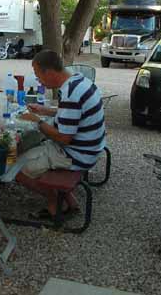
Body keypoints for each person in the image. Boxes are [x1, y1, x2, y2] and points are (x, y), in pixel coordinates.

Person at [17, 50, 105, 220]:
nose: (37, 79)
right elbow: (74, 113)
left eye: (37, 74)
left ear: (49, 72)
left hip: (78, 155)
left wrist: (37, 121)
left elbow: (64, 138)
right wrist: (46, 111)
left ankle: (56, 205)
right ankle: (69, 202)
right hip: (91, 148)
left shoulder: (71, 93)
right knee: (34, 148)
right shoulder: (79, 81)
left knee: (16, 167)